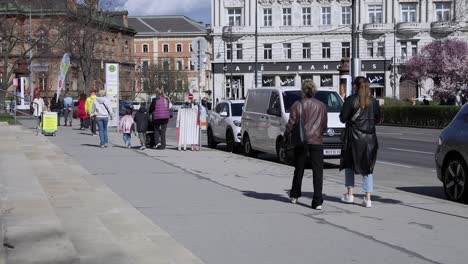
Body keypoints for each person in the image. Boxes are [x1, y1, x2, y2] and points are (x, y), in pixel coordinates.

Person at [284, 80, 328, 210]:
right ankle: (317, 201)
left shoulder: (297, 105)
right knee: (318, 172)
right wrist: (318, 134)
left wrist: (286, 135)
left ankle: (295, 195)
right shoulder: (321, 106)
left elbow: (291, 123)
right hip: (317, 141)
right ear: (314, 90)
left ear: (302, 91)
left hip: (301, 141)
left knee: (299, 169)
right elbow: (324, 125)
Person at [339, 76, 381, 208]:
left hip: (353, 137)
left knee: (350, 164)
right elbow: (378, 119)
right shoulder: (373, 101)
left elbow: (343, 118)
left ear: (356, 86)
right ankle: (368, 198)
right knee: (368, 167)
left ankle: (350, 194)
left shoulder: (351, 100)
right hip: (370, 139)